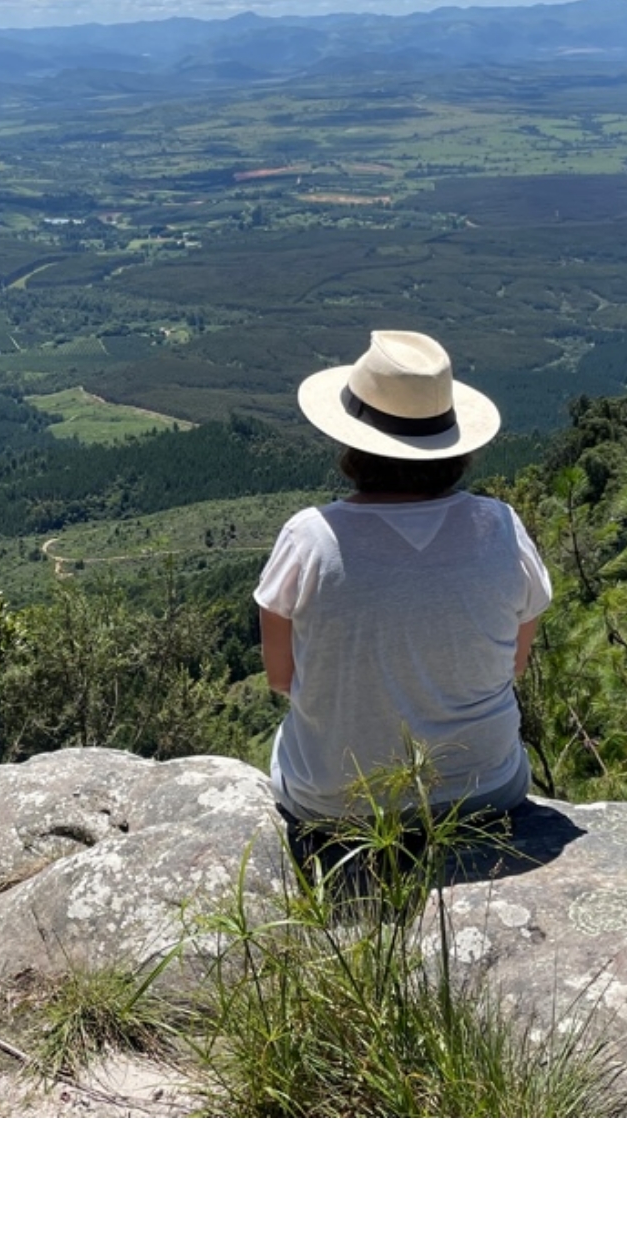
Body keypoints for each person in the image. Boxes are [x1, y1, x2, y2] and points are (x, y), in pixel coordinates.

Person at [254, 330, 551, 871]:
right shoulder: (501, 528)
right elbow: (514, 665)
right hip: (487, 793)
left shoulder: (310, 538)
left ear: (352, 444)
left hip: (334, 809)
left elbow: (281, 679)